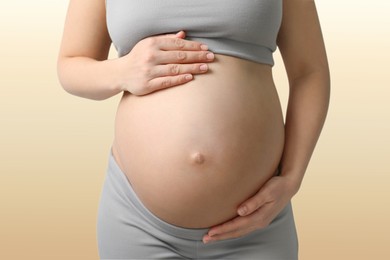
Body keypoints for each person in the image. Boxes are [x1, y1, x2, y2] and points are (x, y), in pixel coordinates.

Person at [57, 0, 330, 259]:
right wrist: (122, 71)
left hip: (257, 225)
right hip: (138, 223)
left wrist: (293, 177)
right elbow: (71, 63)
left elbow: (309, 71)